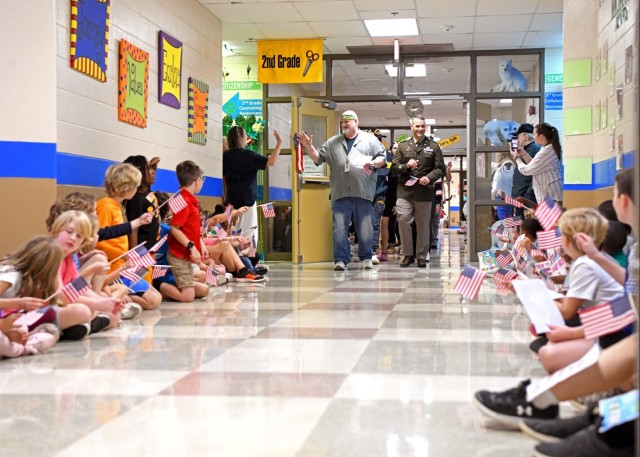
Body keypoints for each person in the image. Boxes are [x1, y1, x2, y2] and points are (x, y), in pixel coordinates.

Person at [296, 110, 386, 270]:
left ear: (356, 122)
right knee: (340, 229)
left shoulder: (370, 140)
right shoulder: (333, 142)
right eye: (342, 121)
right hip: (340, 193)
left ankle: (366, 257)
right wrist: (308, 147)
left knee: (365, 228)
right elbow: (318, 158)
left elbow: (382, 158)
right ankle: (341, 259)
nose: (344, 123)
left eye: (348, 121)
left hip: (363, 193)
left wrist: (373, 163)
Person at [0, 236, 91, 343]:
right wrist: (19, 303)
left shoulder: (33, 279)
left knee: (51, 312)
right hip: (5, 320)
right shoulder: (11, 274)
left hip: (17, 317)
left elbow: (61, 299)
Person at [96, 164, 162, 311]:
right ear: (127, 187)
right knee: (152, 301)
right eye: (135, 185)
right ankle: (120, 301)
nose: (138, 188)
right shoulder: (106, 207)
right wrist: (125, 257)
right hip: (113, 269)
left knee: (156, 297)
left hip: (122, 265)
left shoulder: (115, 206)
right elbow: (99, 241)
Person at [390, 116, 446, 267]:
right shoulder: (402, 147)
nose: (420, 129)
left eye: (422, 126)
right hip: (405, 192)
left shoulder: (433, 147)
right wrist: (406, 166)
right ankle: (408, 254)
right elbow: (393, 169)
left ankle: (421, 256)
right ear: (411, 127)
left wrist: (429, 178)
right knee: (403, 221)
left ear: (425, 127)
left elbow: (440, 168)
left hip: (424, 192)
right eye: (417, 126)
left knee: (423, 225)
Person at [223, 126, 282, 256]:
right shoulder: (249, 155)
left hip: (232, 200)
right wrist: (279, 144)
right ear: (242, 138)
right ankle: (250, 259)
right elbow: (270, 162)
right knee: (250, 233)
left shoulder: (226, 156)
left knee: (233, 232)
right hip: (248, 200)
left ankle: (233, 259)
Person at [512, 122, 563, 205]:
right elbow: (535, 165)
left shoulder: (547, 151)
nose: (533, 137)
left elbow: (527, 170)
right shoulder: (546, 149)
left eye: (534, 134)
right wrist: (524, 154)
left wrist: (516, 157)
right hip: (548, 196)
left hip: (552, 196)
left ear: (541, 136)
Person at [123, 155, 161, 250]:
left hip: (152, 247)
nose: (153, 171)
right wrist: (134, 254)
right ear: (139, 173)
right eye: (149, 168)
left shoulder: (146, 191)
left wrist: (153, 167)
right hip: (142, 250)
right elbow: (133, 229)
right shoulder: (136, 199)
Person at [510, 123, 540, 217]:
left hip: (527, 196)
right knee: (519, 223)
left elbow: (534, 170)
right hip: (520, 195)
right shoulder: (523, 150)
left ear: (525, 137)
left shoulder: (535, 149)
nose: (516, 140)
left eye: (518, 137)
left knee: (527, 222)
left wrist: (529, 193)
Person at [371, 129, 390, 264]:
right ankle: (366, 251)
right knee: (363, 225)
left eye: (379, 139)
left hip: (378, 195)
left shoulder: (387, 156)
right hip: (363, 195)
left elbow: (391, 175)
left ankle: (372, 251)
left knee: (375, 224)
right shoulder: (363, 154)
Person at [380, 142, 399, 262]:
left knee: (391, 223)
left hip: (393, 198)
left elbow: (397, 184)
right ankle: (380, 248)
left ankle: (389, 246)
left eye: (398, 148)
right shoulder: (384, 161)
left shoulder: (398, 165)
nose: (396, 150)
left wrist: (397, 202)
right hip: (380, 196)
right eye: (394, 148)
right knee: (381, 223)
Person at [431, 161, 453, 250]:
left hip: (438, 195)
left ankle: (434, 240)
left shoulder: (442, 166)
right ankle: (427, 240)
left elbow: (448, 179)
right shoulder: (426, 162)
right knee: (426, 220)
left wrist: (448, 170)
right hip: (425, 195)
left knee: (435, 220)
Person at [491, 152, 516, 220]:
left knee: (505, 222)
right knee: (507, 222)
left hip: (504, 197)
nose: (496, 153)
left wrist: (493, 196)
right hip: (505, 197)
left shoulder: (507, 165)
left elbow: (505, 184)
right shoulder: (506, 165)